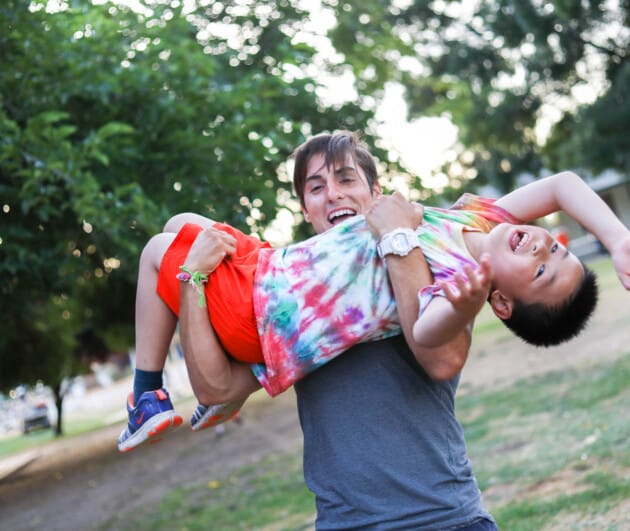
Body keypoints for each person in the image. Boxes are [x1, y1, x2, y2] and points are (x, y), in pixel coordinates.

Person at [118, 132, 630, 452]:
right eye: (557, 252)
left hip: (264, 309)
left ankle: (146, 394)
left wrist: (461, 306)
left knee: (159, 250)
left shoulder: (452, 282)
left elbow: (431, 338)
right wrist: (618, 238)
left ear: (501, 302)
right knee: (183, 221)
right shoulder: (480, 217)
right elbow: (563, 184)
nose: (543, 248)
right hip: (274, 267)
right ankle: (189, 392)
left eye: (541, 272)